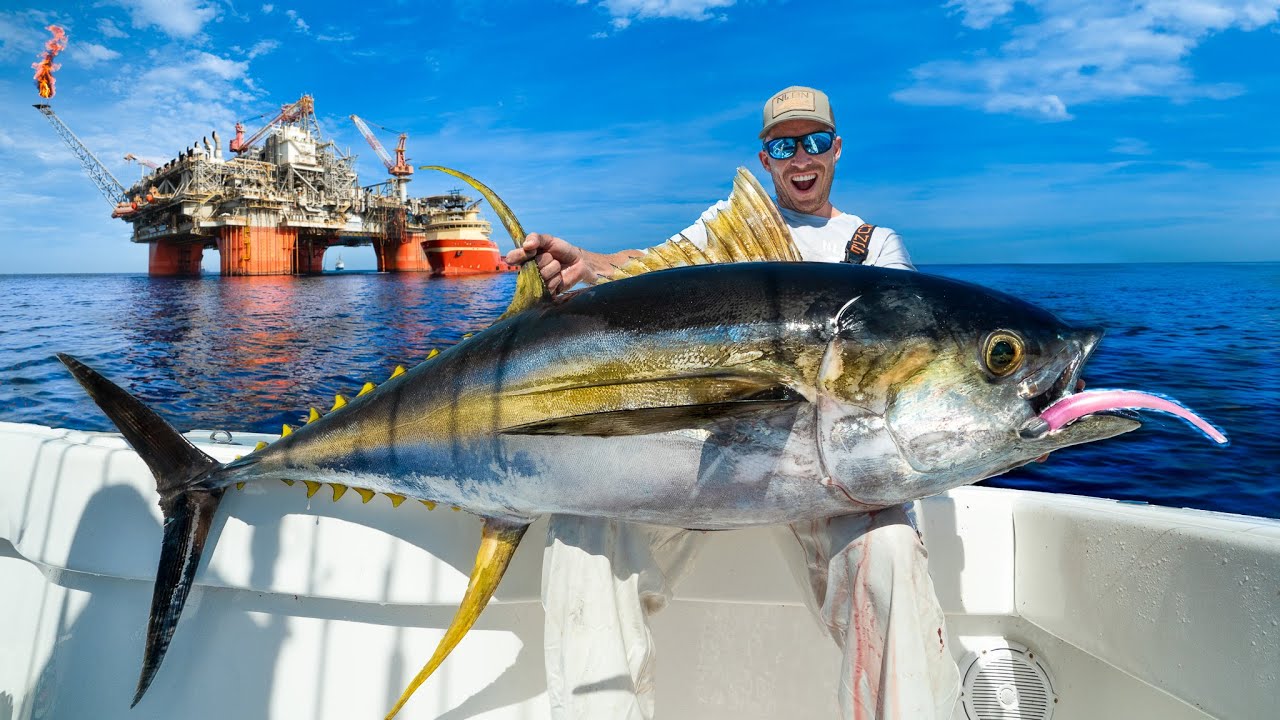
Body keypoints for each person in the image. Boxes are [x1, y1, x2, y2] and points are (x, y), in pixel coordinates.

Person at [507, 86, 961, 720]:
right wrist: (586, 264)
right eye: (783, 145)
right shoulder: (730, 226)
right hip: (709, 462)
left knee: (889, 551)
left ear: (836, 149)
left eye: (815, 142)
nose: (801, 159)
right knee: (584, 530)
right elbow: (653, 271)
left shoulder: (874, 250)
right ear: (766, 157)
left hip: (835, 476)